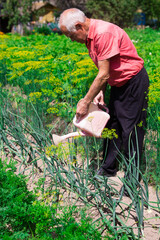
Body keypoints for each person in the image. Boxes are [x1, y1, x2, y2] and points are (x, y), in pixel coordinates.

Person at [58, 8, 149, 178]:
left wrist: (85, 101)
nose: (71, 40)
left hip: (133, 82)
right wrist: (101, 90)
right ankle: (108, 169)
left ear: (79, 26)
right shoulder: (89, 37)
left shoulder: (103, 33)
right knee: (111, 126)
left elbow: (104, 73)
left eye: (70, 36)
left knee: (130, 131)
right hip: (118, 83)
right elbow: (105, 69)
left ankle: (132, 179)